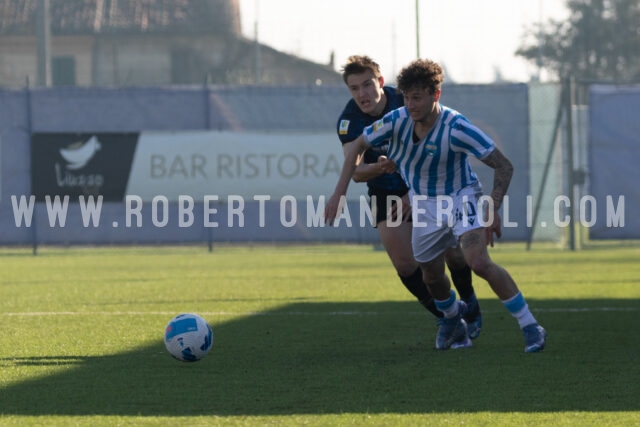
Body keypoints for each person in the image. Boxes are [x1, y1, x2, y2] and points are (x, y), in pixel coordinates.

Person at [326, 58, 547, 353]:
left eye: (417, 97)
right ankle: (454, 320)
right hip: (423, 202)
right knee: (429, 275)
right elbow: (357, 146)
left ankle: (530, 325)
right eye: (406, 98)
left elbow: (503, 166)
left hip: (459, 197)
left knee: (476, 261)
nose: (410, 104)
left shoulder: (456, 126)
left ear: (435, 95)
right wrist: (339, 191)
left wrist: (492, 207)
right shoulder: (396, 119)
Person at [336, 55, 482, 339]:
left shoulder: (404, 101)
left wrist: (412, 192)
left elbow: (435, 142)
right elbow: (356, 172)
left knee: (454, 253)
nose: (362, 94)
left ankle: (470, 301)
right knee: (405, 263)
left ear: (380, 82)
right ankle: (448, 318)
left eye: (367, 84)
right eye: (354, 88)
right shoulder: (348, 121)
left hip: (428, 187)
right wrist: (380, 167)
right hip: (385, 192)